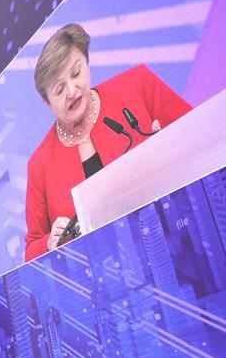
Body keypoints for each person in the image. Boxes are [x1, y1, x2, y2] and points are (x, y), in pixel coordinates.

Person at [24, 23, 193, 261]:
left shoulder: (139, 84)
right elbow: (31, 248)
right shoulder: (39, 165)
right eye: (59, 90)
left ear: (87, 62)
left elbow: (200, 135)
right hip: (111, 274)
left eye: (76, 73)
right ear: (47, 102)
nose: (72, 91)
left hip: (186, 239)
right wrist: (49, 243)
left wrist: (173, 148)